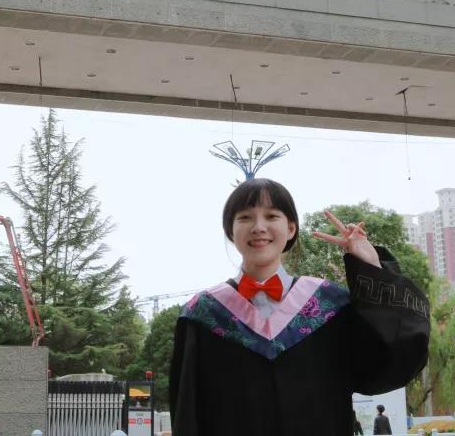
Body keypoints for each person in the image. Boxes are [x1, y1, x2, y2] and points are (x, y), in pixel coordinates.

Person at [169, 179, 431, 435]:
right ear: (230, 230)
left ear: (291, 229)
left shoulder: (331, 306)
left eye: (272, 216)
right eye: (245, 217)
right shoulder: (203, 314)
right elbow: (187, 411)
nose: (259, 227)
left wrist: (371, 266)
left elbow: (387, 365)